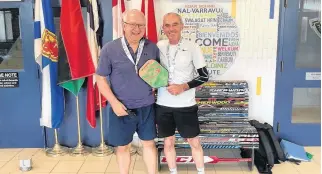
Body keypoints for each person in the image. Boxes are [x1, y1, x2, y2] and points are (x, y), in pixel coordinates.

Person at [96, 9, 159, 174]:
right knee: (123, 147)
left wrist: (156, 84)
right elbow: (100, 79)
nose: (137, 29)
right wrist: (114, 103)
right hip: (121, 108)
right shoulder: (109, 49)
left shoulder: (152, 47)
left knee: (149, 144)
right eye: (133, 25)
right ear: (124, 26)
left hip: (147, 106)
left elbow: (158, 74)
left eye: (141, 25)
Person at [156, 12, 209, 174]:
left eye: (175, 24)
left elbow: (204, 76)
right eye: (167, 25)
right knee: (168, 143)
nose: (171, 28)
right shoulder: (158, 46)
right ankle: (173, 172)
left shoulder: (193, 47)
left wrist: (183, 87)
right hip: (163, 105)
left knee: (194, 142)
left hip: (186, 105)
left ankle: (201, 171)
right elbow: (151, 72)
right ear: (163, 28)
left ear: (181, 26)